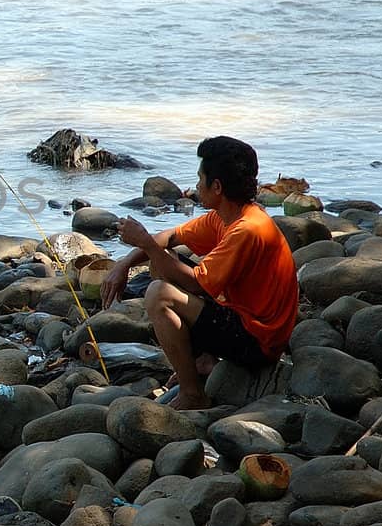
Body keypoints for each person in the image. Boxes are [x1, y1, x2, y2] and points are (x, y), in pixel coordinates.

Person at [100, 136, 298, 410]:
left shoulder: (247, 229)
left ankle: (193, 394)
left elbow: (199, 285)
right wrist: (124, 264)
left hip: (259, 341)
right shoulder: (225, 215)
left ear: (216, 186)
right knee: (162, 261)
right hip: (239, 315)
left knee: (159, 294)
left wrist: (144, 241)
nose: (195, 186)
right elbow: (170, 236)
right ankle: (202, 361)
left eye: (199, 178)